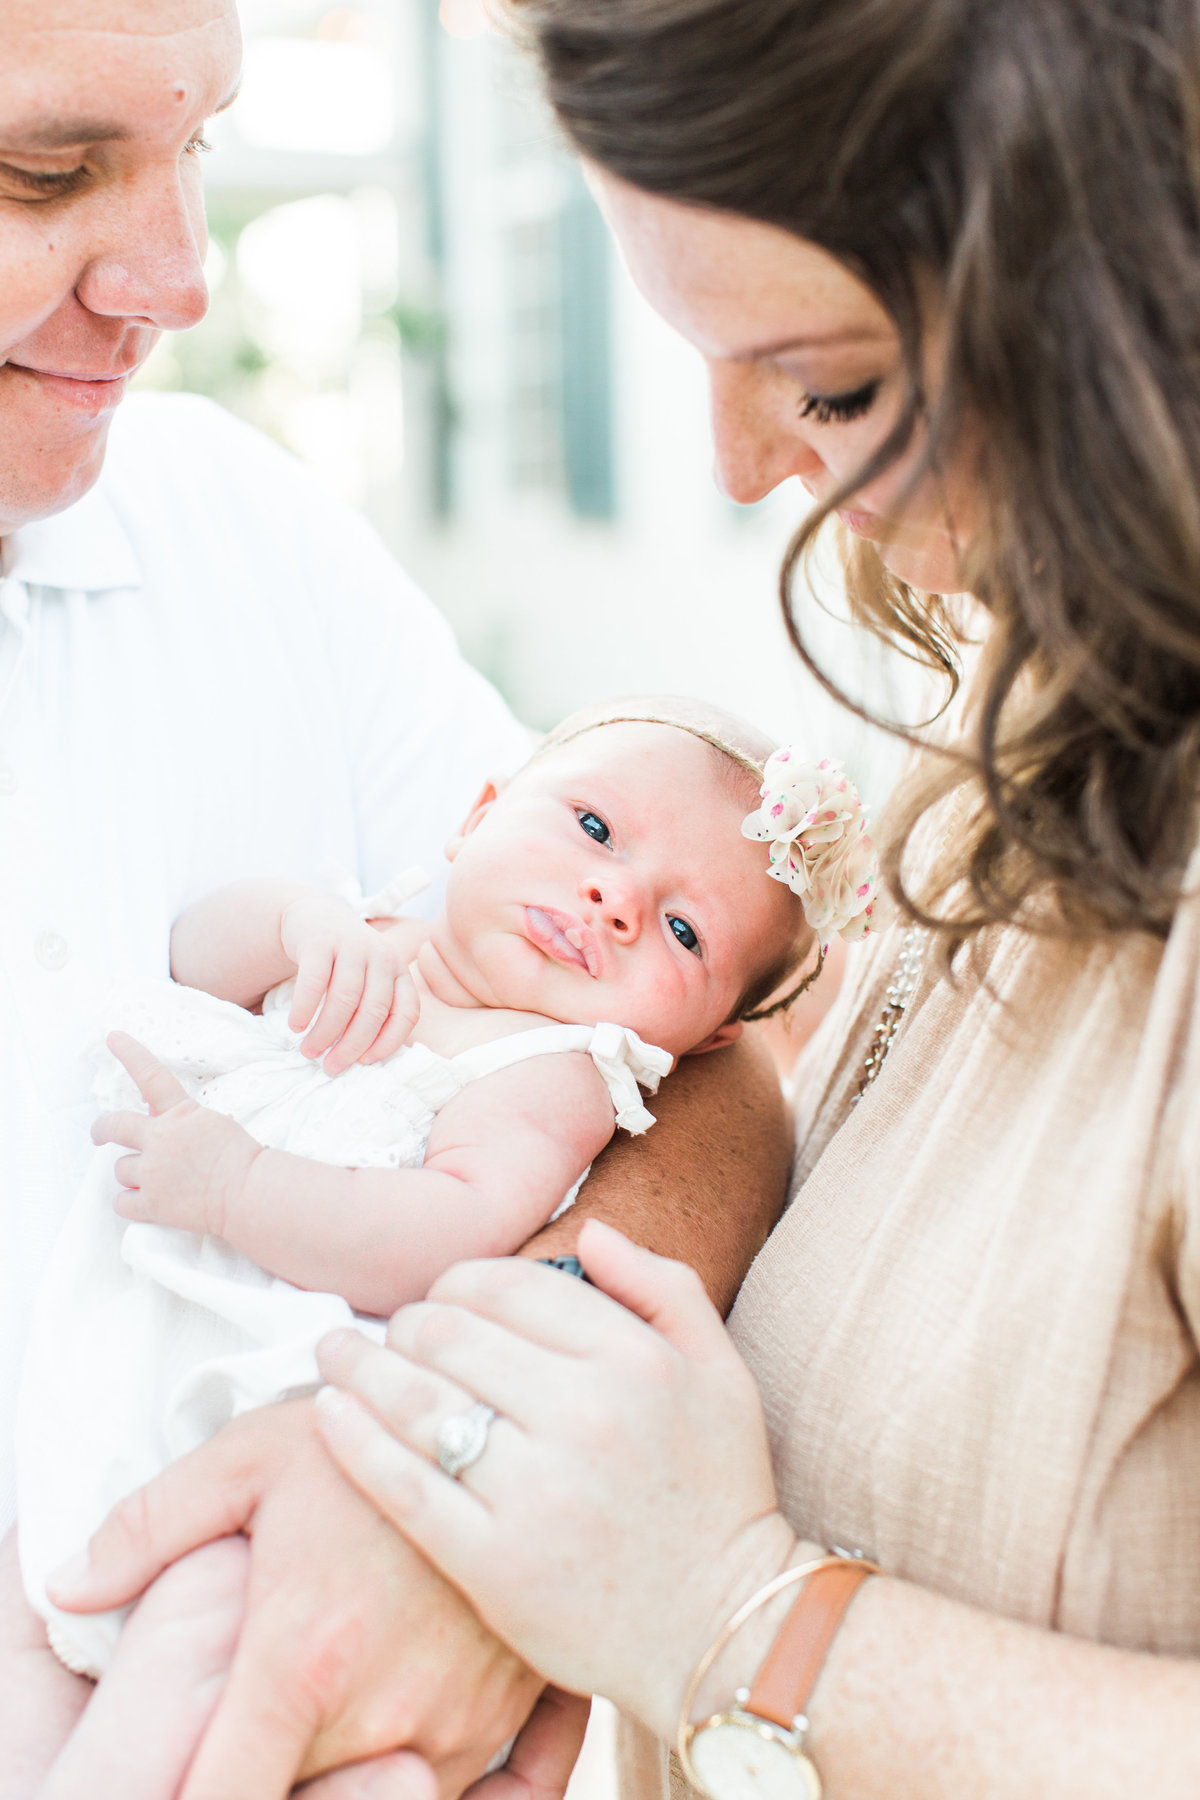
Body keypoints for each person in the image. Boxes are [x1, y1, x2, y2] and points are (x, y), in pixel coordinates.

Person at [63, 0, 1200, 1793]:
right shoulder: (1022, 713)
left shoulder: (244, 552)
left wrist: (692, 1595)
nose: (747, 472)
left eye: (829, 382)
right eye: (45, 170)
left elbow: (683, 1062)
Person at [0, 2, 795, 1794]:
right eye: (48, 171)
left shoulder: (236, 538)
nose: (184, 279)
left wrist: (465, 1483)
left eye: (199, 143)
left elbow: (723, 1071)